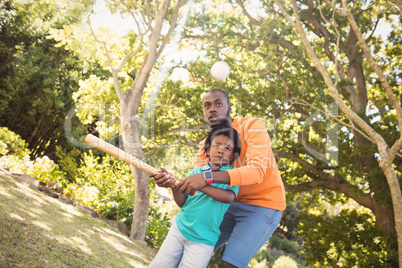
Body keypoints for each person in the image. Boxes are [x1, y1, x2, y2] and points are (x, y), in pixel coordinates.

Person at [152, 89, 286, 268]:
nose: (212, 109)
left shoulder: (252, 126)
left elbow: (257, 171)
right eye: (207, 106)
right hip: (222, 204)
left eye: (218, 104)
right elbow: (195, 189)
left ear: (229, 108)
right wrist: (173, 184)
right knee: (187, 250)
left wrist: (206, 178)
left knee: (229, 265)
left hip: (261, 206)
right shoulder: (205, 146)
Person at [149, 126, 242, 268]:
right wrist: (174, 186)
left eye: (227, 148)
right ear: (208, 149)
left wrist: (202, 183)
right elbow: (183, 203)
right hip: (179, 229)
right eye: (216, 145)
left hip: (203, 241)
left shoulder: (232, 175)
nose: (221, 150)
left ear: (232, 155)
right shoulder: (197, 172)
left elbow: (228, 197)